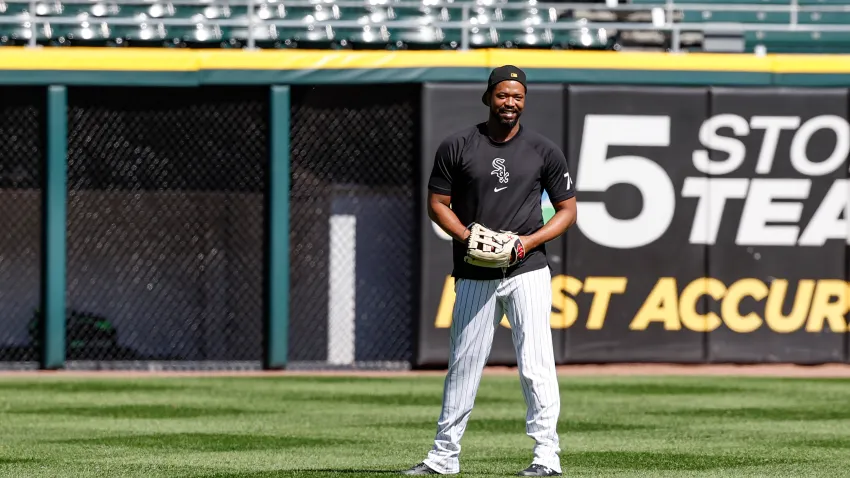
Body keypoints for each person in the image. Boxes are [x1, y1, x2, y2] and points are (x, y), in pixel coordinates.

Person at [402, 65, 577, 477]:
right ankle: (444, 458)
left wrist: (526, 243)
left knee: (535, 364)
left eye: (517, 95)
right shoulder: (458, 145)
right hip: (474, 270)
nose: (510, 102)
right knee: (464, 363)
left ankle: (546, 458)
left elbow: (567, 210)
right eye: (503, 95)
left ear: (525, 100)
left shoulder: (544, 150)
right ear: (489, 97)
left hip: (527, 268)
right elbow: (437, 203)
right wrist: (466, 237)